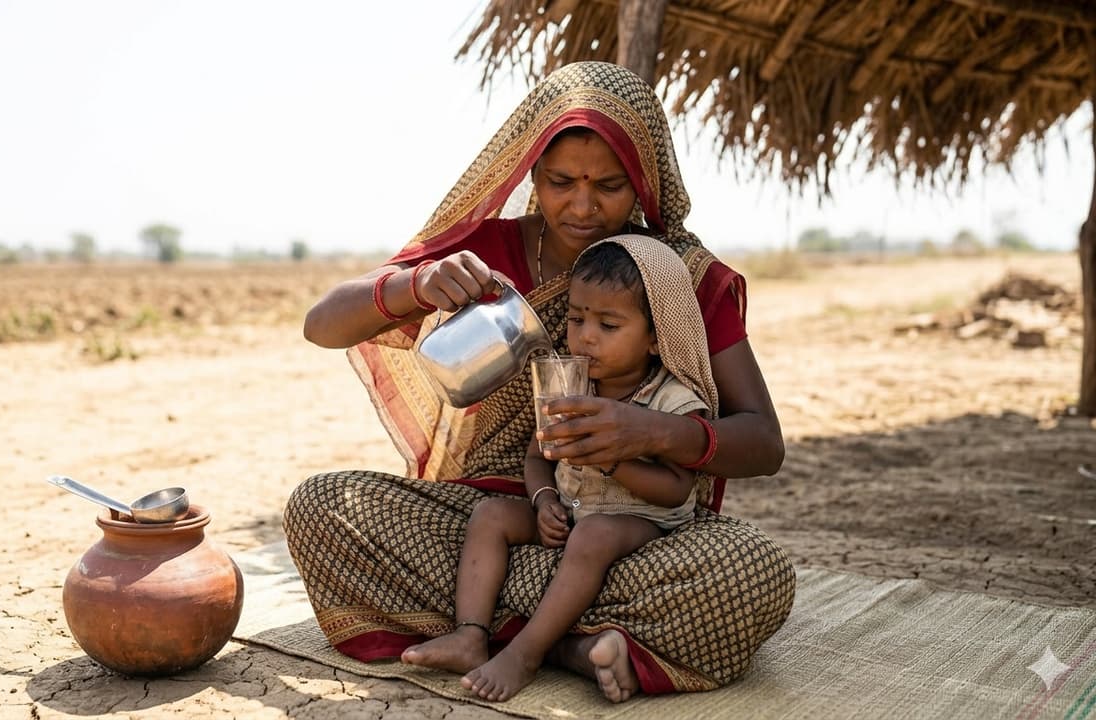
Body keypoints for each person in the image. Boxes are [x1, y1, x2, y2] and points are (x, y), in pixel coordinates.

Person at [288, 61, 795, 703]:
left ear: (643, 182)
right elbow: (322, 324)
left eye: (608, 185)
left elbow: (763, 443)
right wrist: (416, 284)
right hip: (495, 521)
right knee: (322, 506)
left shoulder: (680, 277)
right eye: (559, 182)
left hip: (631, 536)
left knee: (752, 573)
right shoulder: (488, 252)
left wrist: (649, 433)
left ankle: (511, 631)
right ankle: (569, 641)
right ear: (529, 172)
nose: (581, 207)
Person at [402, 236, 720, 702]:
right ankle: (470, 634)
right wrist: (544, 500)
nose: (586, 336)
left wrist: (612, 460)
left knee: (594, 536)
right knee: (491, 514)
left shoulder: (670, 400)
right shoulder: (571, 385)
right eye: (576, 319)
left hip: (642, 521)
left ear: (656, 337)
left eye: (608, 325)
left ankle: (524, 654)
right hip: (571, 512)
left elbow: (676, 489)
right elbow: (538, 457)